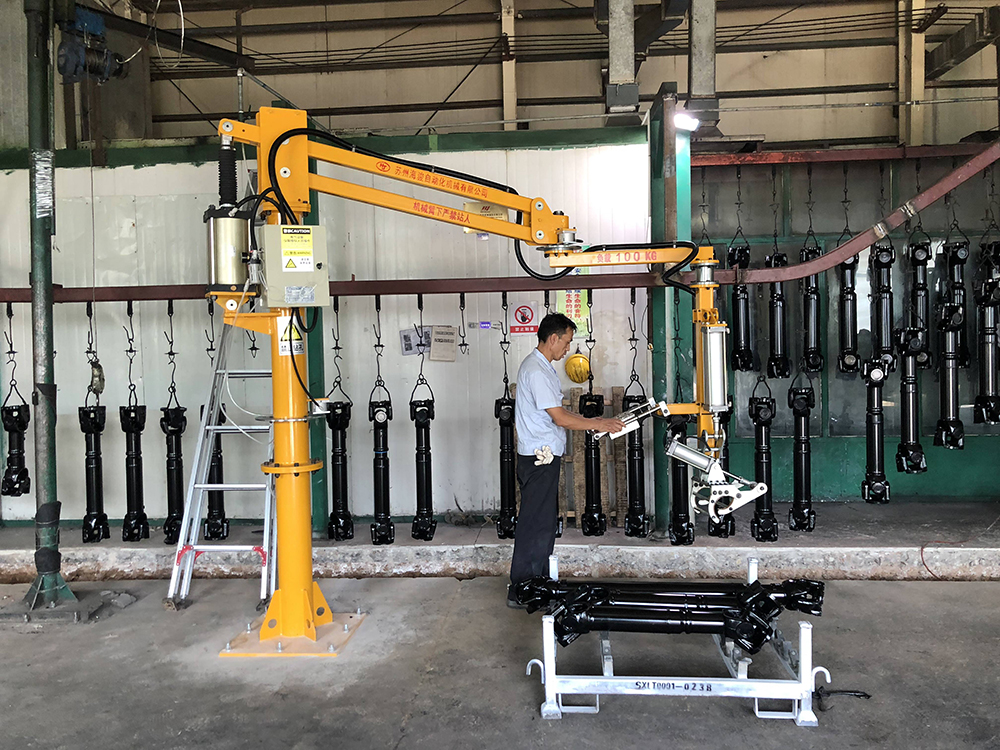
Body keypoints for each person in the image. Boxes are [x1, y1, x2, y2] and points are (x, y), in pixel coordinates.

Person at [507, 313, 625, 608]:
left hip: (543, 456)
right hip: (539, 459)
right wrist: (598, 424)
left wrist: (591, 421)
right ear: (553, 338)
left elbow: (557, 413)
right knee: (535, 524)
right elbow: (559, 417)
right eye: (567, 342)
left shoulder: (541, 367)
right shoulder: (536, 370)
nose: (568, 349)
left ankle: (537, 583)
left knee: (543, 523)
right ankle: (522, 589)